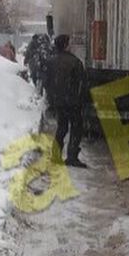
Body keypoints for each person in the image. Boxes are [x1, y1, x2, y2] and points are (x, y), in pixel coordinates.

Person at [42, 34, 88, 168]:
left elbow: (46, 82)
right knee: (76, 128)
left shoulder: (50, 61)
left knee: (61, 127)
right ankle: (72, 157)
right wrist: (81, 100)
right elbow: (82, 84)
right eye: (70, 43)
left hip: (59, 102)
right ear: (66, 45)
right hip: (73, 102)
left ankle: (55, 156)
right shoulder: (75, 62)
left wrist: (52, 98)